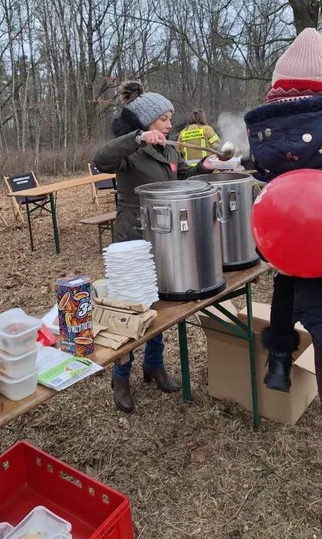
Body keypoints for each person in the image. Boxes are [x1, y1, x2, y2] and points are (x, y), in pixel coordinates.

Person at [94, 81, 216, 413]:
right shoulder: (130, 150)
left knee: (159, 303)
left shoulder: (171, 148)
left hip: (163, 236)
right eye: (164, 118)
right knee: (131, 308)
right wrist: (136, 139)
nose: (169, 123)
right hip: (132, 237)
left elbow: (179, 178)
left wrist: (202, 169)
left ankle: (154, 364)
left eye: (170, 117)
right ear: (148, 122)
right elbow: (100, 160)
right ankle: (121, 376)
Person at [244, 28, 322, 400]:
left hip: (294, 264)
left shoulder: (270, 146)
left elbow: (269, 239)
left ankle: (278, 357)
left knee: (285, 278)